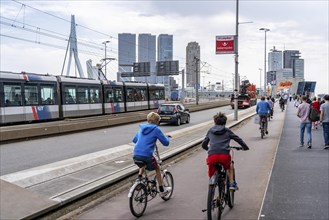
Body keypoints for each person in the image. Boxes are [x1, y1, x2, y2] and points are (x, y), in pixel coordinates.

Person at [201, 112, 249, 191]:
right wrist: (245, 147)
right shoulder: (227, 131)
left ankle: (212, 186)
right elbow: (238, 139)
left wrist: (209, 149)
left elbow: (203, 144)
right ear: (225, 122)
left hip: (212, 156)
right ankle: (232, 184)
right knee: (230, 167)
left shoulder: (210, 131)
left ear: (215, 121)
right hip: (224, 156)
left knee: (211, 169)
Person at [132, 112, 171, 197]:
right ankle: (161, 190)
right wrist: (167, 138)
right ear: (157, 122)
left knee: (143, 164)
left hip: (136, 155)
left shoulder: (141, 129)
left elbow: (134, 140)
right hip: (147, 155)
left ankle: (139, 179)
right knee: (157, 168)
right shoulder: (156, 129)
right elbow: (165, 143)